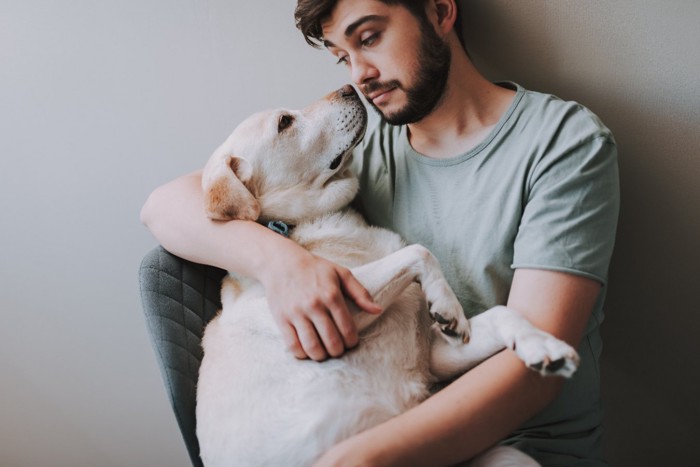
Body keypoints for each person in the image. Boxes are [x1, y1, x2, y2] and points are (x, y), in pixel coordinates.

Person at [141, 0, 620, 465]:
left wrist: (365, 456)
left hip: (513, 445)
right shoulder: (355, 159)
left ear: (440, 10)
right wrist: (283, 264)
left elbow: (532, 374)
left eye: (369, 38)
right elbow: (163, 207)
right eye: (343, 56)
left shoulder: (561, 142)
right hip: (376, 419)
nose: (358, 74)